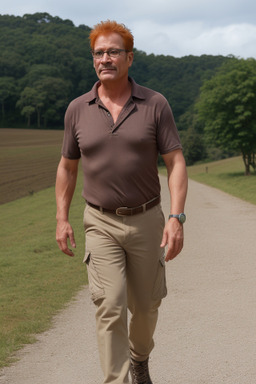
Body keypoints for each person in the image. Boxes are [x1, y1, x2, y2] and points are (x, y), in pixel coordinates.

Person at [56, 20, 188, 384]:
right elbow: (67, 168)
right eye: (99, 53)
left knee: (146, 306)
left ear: (129, 58)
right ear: (93, 60)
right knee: (109, 307)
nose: (105, 58)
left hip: (147, 219)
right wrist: (62, 218)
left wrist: (176, 217)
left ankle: (139, 358)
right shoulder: (77, 109)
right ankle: (116, 380)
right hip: (99, 222)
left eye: (113, 51)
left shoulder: (155, 104)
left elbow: (175, 162)